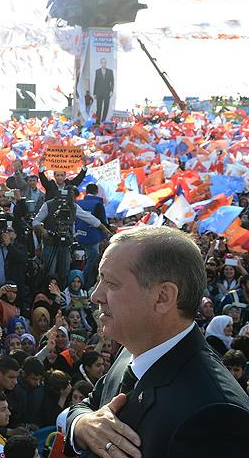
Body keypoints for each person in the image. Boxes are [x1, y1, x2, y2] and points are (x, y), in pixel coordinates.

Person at [66, 226, 249, 457]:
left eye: (111, 283)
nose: (96, 295)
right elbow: (89, 406)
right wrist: (82, 425)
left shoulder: (217, 416)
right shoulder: (134, 350)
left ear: (163, 297)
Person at [74, 183, 108, 290]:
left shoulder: (79, 203)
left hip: (79, 236)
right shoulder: (98, 204)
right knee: (92, 262)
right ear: (97, 192)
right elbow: (102, 222)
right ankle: (84, 285)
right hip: (92, 238)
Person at [93, 58, 114, 123]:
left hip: (107, 92)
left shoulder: (110, 71)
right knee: (99, 107)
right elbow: (95, 82)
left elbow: (112, 82)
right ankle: (97, 121)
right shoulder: (97, 71)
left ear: (106, 63)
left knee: (106, 107)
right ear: (101, 63)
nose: (103, 64)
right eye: (102, 62)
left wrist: (111, 91)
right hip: (99, 92)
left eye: (104, 62)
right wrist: (94, 93)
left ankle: (103, 120)